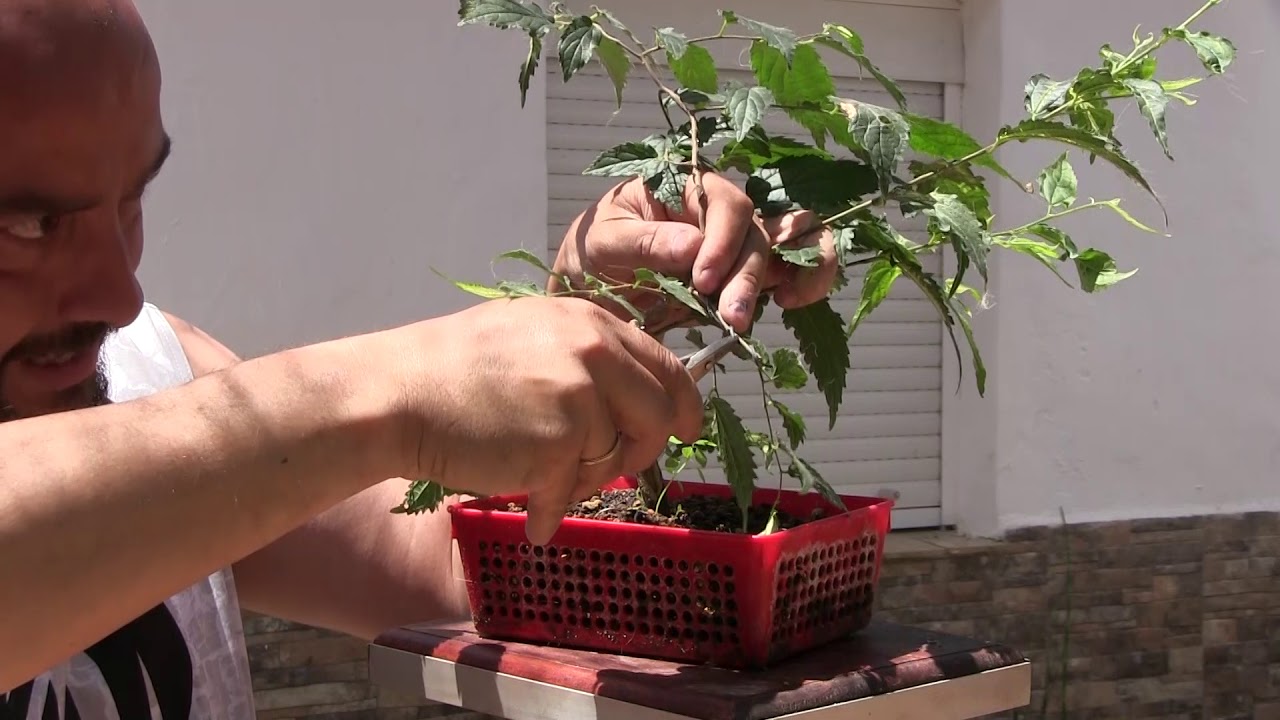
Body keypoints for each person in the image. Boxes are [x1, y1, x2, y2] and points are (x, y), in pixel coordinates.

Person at [0, 0, 837, 717]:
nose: (118, 294)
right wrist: (393, 393)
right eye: (28, 226)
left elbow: (468, 569)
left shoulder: (153, 371)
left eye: (132, 201)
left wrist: (602, 324)